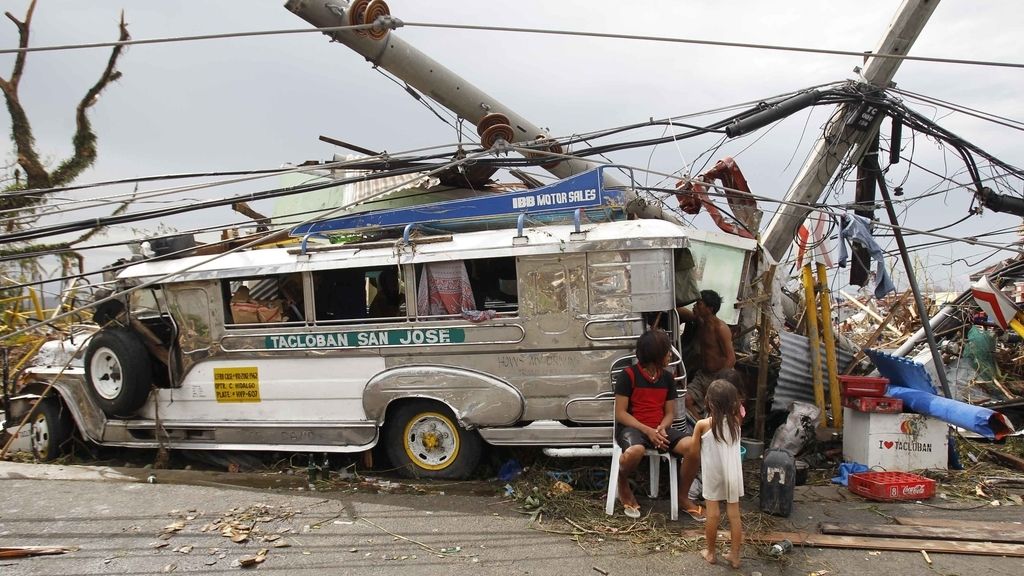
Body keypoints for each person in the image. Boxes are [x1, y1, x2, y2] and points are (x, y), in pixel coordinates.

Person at [614, 330, 704, 521]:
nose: (670, 355)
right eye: (666, 351)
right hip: (633, 429)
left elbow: (670, 413)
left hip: (658, 429)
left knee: (693, 446)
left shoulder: (667, 379)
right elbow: (620, 414)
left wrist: (661, 428)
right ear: (656, 355)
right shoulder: (628, 376)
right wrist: (647, 430)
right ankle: (622, 483)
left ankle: (682, 496)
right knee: (634, 451)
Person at [693, 378, 745, 568]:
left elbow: (693, 449)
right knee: (734, 515)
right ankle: (735, 556)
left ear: (709, 402)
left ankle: (711, 552)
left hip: (713, 475)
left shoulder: (703, 424)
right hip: (733, 475)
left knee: (713, 514)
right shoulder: (736, 424)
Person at [677, 289, 736, 421]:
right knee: (684, 400)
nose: (695, 306)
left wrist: (720, 381)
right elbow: (678, 310)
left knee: (716, 408)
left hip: (718, 375)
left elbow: (731, 358)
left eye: (699, 304)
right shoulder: (701, 321)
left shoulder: (720, 328)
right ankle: (702, 426)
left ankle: (709, 428)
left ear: (710, 308)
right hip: (702, 375)